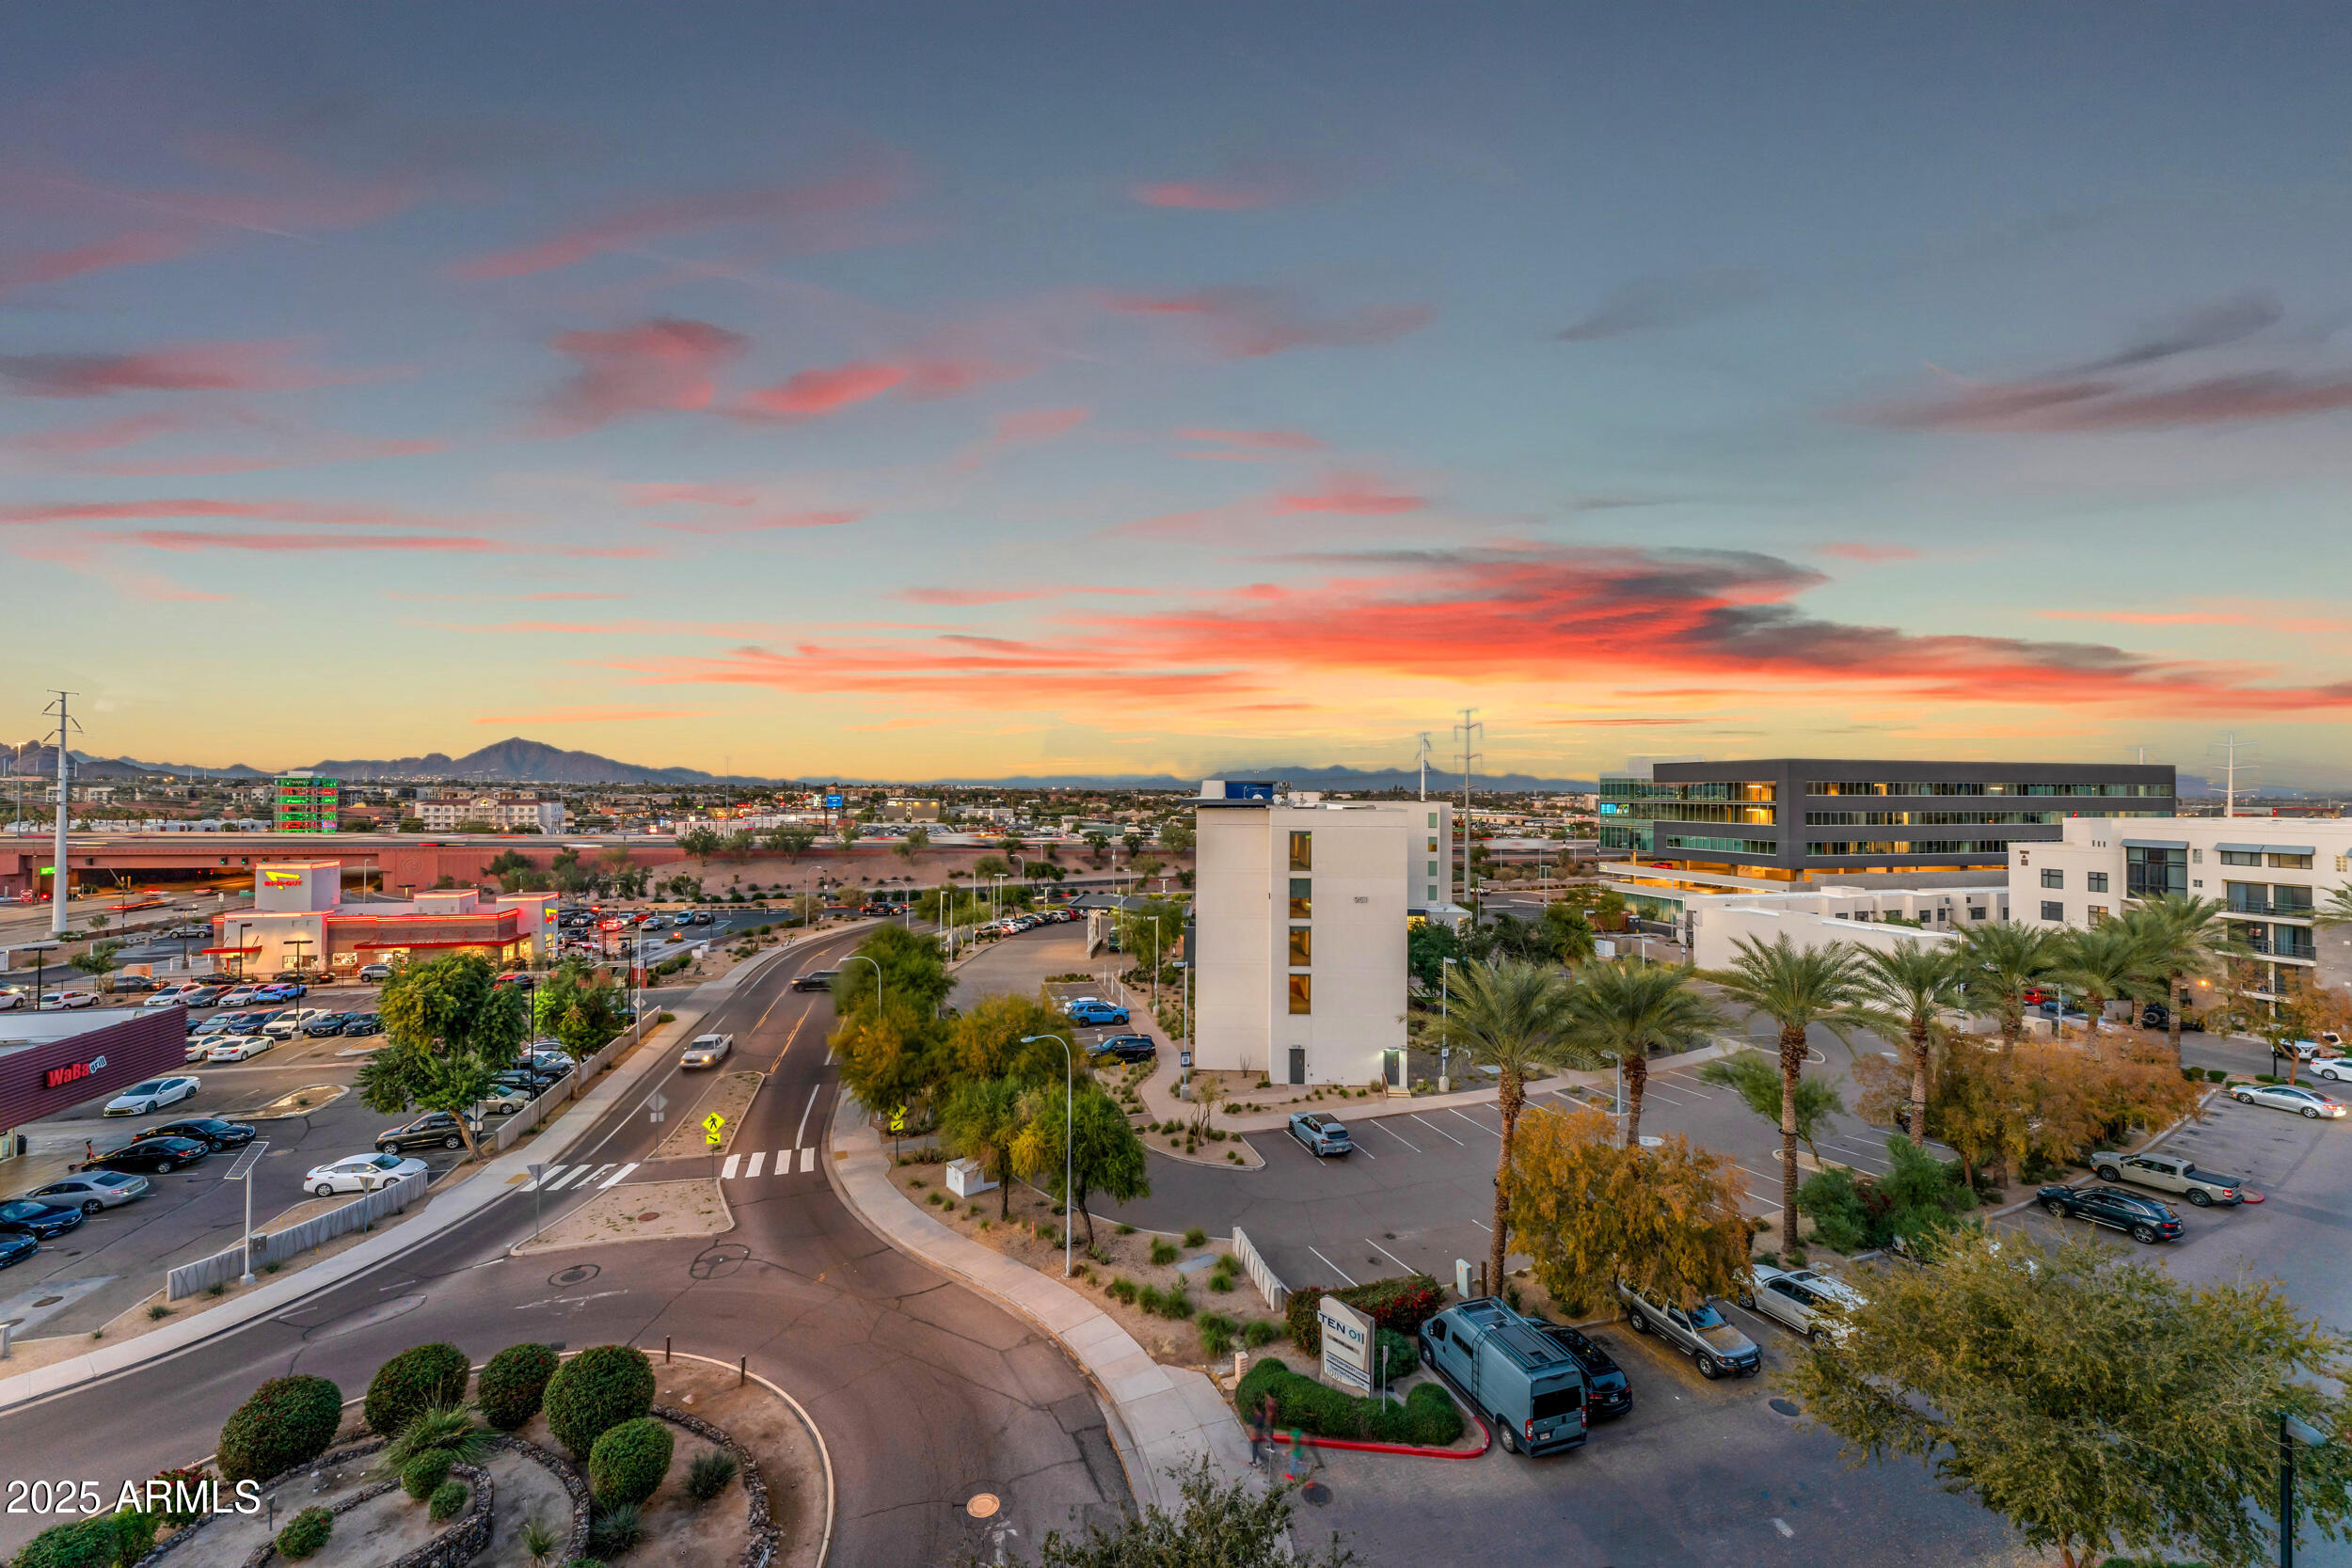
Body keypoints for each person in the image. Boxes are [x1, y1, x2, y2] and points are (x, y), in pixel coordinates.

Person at [1249, 1391, 1276, 1468]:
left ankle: (1254, 1462)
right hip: (1260, 1434)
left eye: (1255, 1408)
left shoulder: (1258, 1417)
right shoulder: (1262, 1414)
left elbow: (1256, 1428)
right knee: (1257, 1448)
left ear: (1257, 1409)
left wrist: (1254, 1436)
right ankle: (1259, 1460)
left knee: (1255, 1448)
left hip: (1257, 1435)